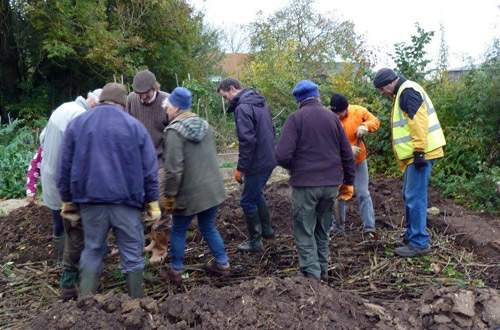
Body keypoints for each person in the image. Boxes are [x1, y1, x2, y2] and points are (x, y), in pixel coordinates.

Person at [56, 83, 161, 298]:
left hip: (90, 202)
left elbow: (64, 165)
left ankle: (87, 303)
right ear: (123, 103)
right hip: (127, 203)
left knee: (92, 250)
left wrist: (67, 201)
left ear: (102, 100)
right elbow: (149, 169)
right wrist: (152, 202)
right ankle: (136, 305)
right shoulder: (135, 126)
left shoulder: (78, 124)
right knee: (132, 255)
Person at [276, 80, 356, 281]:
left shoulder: (295, 119)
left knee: (304, 230)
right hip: (330, 185)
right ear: (318, 96)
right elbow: (347, 153)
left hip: (306, 186)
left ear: (298, 101)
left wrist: (296, 168)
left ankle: (312, 278)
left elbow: (282, 155)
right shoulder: (332, 118)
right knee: (322, 229)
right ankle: (322, 270)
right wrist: (348, 181)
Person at [160, 87, 230, 284]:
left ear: (175, 108)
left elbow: (173, 169)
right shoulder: (205, 125)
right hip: (211, 190)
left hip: (189, 193)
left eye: (167, 107)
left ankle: (175, 271)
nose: (166, 111)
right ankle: (223, 264)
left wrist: (169, 196)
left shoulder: (173, 132)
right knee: (207, 226)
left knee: (178, 229)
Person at [373, 68, 446, 257]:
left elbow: (418, 121)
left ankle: (420, 243)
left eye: (382, 89)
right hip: (417, 154)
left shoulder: (407, 91)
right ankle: (411, 235)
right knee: (410, 195)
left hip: (421, 154)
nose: (382, 93)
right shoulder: (404, 91)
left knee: (416, 197)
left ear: (390, 83)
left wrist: (419, 152)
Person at [40, 88, 102, 300]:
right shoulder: (80, 116)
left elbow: (42, 137)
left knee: (61, 224)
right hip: (69, 183)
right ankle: (73, 281)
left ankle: (64, 263)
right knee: (78, 233)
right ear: (94, 104)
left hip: (52, 175)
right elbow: (84, 155)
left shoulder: (64, 107)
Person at [217, 78, 277, 252]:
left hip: (257, 163)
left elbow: (247, 141)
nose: (226, 101)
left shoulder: (243, 107)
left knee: (247, 201)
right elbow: (272, 130)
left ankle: (255, 241)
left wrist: (240, 168)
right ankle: (267, 230)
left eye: (225, 96)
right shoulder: (260, 103)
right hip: (268, 158)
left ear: (232, 88)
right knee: (255, 194)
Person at [126, 69, 170, 264]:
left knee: (160, 202)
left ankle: (161, 248)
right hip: (139, 161)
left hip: (161, 159)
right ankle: (153, 240)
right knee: (146, 202)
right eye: (139, 93)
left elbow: (173, 134)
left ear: (155, 88)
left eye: (147, 93)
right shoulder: (131, 100)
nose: (142, 97)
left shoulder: (167, 101)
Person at [329, 93, 380, 239]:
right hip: (338, 164)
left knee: (363, 193)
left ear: (347, 108)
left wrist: (365, 126)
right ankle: (338, 227)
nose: (339, 116)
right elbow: (326, 143)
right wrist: (346, 150)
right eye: (336, 113)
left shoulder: (358, 111)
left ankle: (369, 228)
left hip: (358, 162)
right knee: (339, 195)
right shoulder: (329, 119)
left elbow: (375, 120)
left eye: (341, 113)